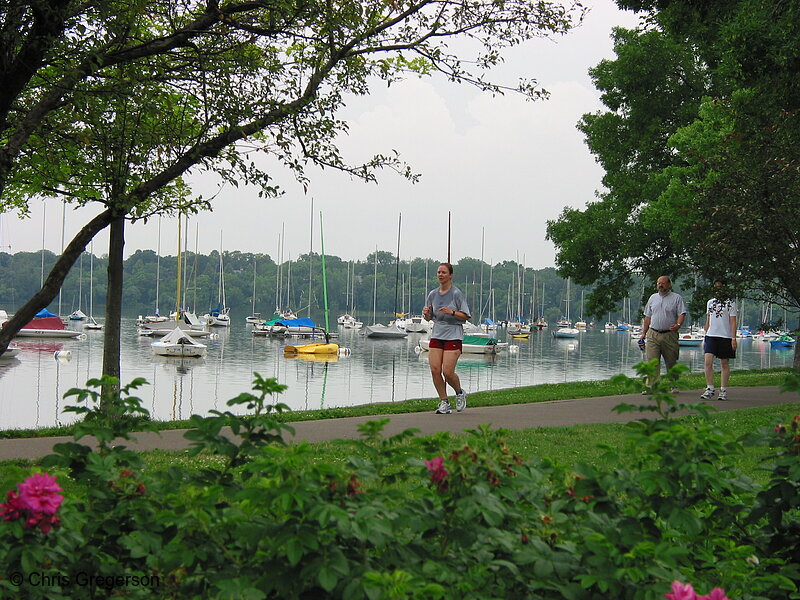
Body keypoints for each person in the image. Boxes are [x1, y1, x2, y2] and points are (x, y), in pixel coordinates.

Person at [422, 262, 470, 414]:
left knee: (447, 372)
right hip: (437, 334)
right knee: (435, 369)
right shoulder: (432, 294)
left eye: (443, 272)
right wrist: (426, 314)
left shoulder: (456, 294)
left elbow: (465, 316)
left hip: (453, 335)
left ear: (450, 275)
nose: (440, 275)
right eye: (438, 272)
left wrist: (452, 312)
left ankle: (459, 392)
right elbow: (429, 317)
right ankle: (444, 402)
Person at [639, 276, 687, 392]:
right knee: (652, 361)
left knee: (671, 362)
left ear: (669, 285)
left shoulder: (676, 298)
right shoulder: (652, 298)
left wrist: (678, 325)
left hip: (669, 335)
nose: (660, 285)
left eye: (663, 283)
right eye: (658, 283)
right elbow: (647, 317)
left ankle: (674, 385)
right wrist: (643, 334)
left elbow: (682, 313)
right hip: (653, 334)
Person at [700, 279, 738, 401]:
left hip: (725, 336)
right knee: (708, 361)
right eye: (716, 287)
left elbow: (733, 322)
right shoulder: (710, 303)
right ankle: (710, 387)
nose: (718, 290)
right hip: (711, 335)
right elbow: (708, 320)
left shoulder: (731, 304)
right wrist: (705, 336)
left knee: (724, 363)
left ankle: (723, 390)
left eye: (720, 287)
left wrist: (733, 338)